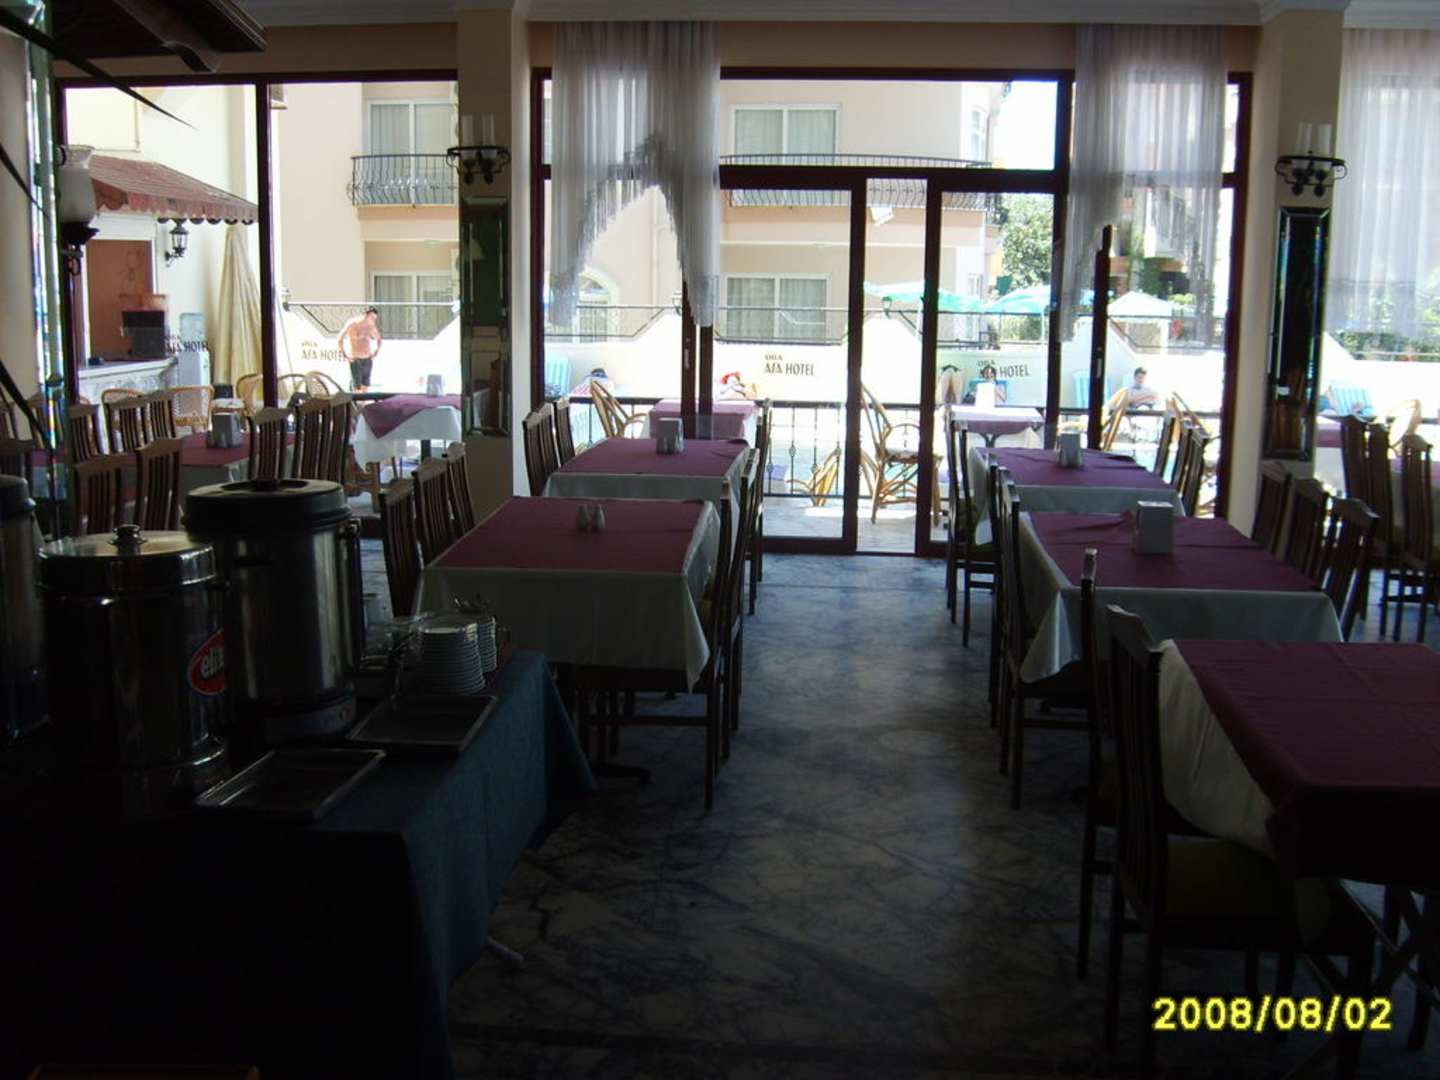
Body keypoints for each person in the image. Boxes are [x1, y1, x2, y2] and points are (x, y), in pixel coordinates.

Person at [338, 307, 382, 393]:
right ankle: (355, 400)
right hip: (355, 358)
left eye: (374, 318)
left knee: (365, 385)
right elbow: (340, 338)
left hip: (367, 358)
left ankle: (363, 400)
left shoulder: (371, 327)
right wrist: (343, 353)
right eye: (371, 317)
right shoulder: (352, 324)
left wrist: (376, 352)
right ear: (365, 315)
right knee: (356, 387)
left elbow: (379, 339)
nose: (373, 320)